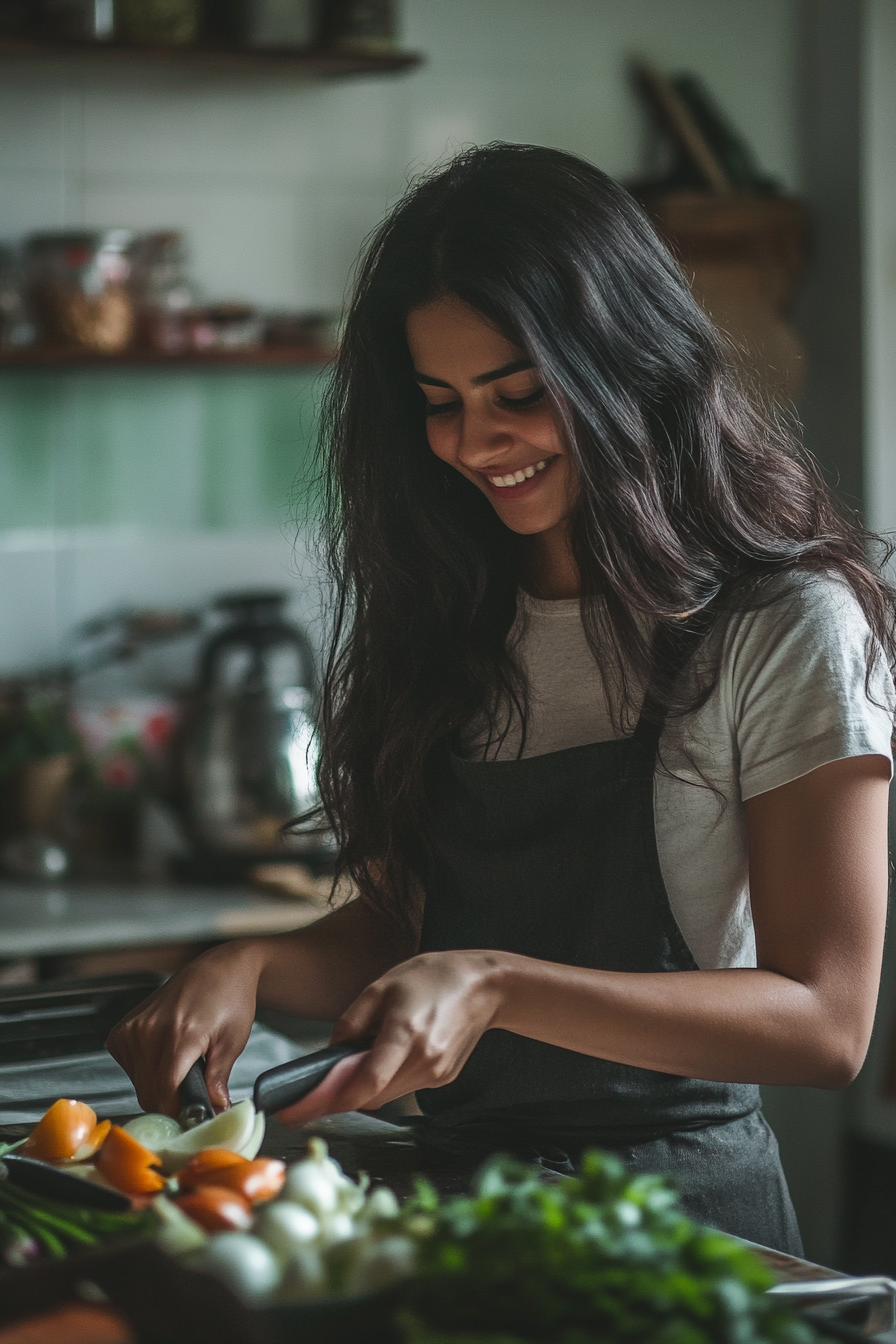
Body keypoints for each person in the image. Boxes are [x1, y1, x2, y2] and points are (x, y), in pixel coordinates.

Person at [108, 144, 895, 1254]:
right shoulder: (448, 618)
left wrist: (492, 983)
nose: (474, 445)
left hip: (681, 1236)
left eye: (518, 394)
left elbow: (823, 1023)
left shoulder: (780, 622)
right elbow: (411, 928)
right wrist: (249, 964)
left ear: (626, 363)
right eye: (440, 403)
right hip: (449, 1218)